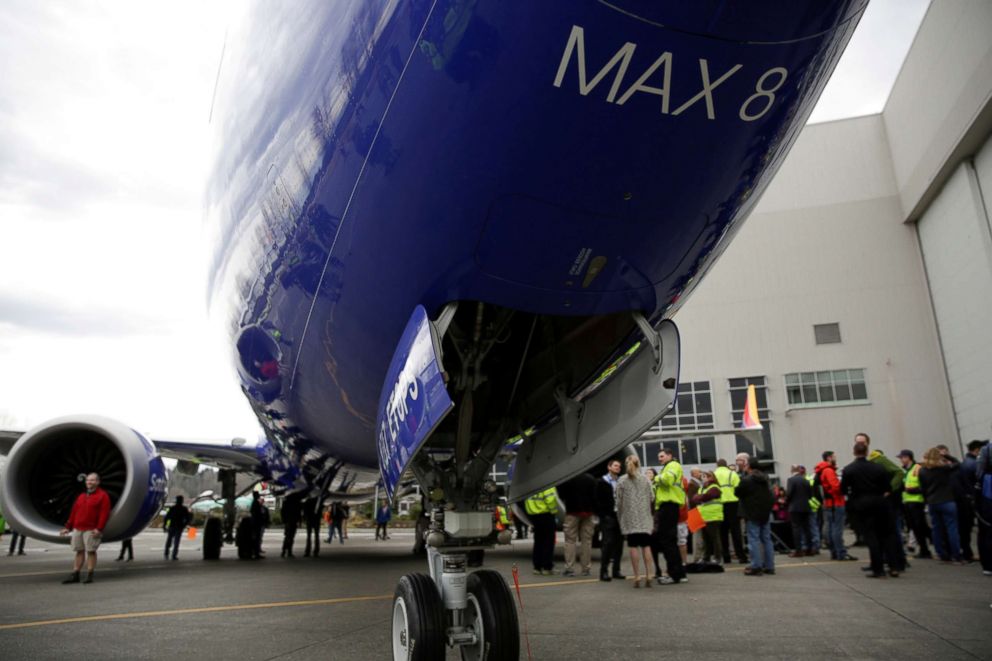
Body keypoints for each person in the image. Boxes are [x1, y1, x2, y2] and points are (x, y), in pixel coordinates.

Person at [842, 442, 901, 578]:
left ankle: (878, 568)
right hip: (880, 503)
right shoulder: (878, 468)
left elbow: (843, 489)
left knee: (871, 537)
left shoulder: (849, 469)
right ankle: (893, 566)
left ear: (854, 452)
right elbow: (888, 487)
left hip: (862, 505)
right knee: (887, 535)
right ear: (867, 452)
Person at [859, 432, 907, 572]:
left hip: (886, 502)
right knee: (876, 533)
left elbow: (899, 472)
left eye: (862, 441)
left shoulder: (878, 458)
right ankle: (879, 560)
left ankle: (898, 560)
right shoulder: (867, 460)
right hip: (875, 502)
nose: (860, 443)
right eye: (857, 441)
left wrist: (889, 489)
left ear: (868, 443)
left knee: (891, 531)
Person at [60, 473, 112, 584]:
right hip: (78, 528)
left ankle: (90, 574)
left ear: (98, 482)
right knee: (79, 551)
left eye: (92, 480)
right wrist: (68, 527)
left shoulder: (103, 496)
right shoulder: (82, 496)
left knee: (91, 551)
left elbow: (104, 514)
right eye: (88, 480)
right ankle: (76, 574)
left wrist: (99, 528)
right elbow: (74, 512)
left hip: (91, 529)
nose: (89, 482)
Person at [615, 455, 655, 588]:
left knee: (633, 546)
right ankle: (649, 574)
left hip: (630, 518)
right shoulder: (645, 479)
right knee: (646, 546)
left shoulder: (622, 480)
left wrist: (621, 515)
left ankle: (637, 576)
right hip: (644, 518)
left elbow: (618, 501)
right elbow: (652, 497)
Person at [919, 447, 964, 563]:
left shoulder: (922, 471)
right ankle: (956, 555)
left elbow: (923, 488)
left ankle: (942, 554)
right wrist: (946, 456)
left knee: (936, 529)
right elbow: (957, 464)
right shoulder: (943, 469)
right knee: (952, 528)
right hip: (947, 500)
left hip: (933, 501)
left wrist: (926, 501)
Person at [652, 448, 687, 585]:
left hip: (668, 506)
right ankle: (680, 573)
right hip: (669, 507)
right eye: (659, 456)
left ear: (669, 455)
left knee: (667, 541)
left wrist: (654, 478)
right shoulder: (668, 467)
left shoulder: (672, 466)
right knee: (671, 541)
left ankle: (674, 574)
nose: (659, 459)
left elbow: (667, 480)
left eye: (662, 456)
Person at [736, 456, 775, 576]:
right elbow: (772, 495)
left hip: (752, 513)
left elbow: (737, 492)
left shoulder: (747, 480)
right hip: (765, 512)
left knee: (753, 539)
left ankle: (756, 565)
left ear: (749, 467)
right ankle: (769, 566)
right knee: (766, 539)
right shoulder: (765, 478)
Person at [815, 451, 856, 561]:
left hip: (829, 504)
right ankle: (840, 552)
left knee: (831, 528)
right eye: (834, 456)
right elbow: (836, 487)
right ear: (829, 458)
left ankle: (834, 551)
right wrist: (844, 487)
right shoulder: (828, 470)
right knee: (837, 529)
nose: (835, 458)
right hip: (836, 502)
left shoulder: (822, 471)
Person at [557, 472, 597, 577]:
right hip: (588, 513)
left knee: (570, 541)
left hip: (572, 512)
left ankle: (569, 569)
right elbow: (595, 496)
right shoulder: (591, 479)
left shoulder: (568, 478)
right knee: (586, 541)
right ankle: (586, 569)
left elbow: (561, 495)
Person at [898, 450, 932, 559]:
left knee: (919, 527)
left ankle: (925, 549)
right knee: (916, 527)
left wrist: (914, 490)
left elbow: (925, 485)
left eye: (902, 457)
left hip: (916, 501)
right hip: (908, 502)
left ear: (908, 457)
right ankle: (925, 548)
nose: (901, 460)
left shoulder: (917, 468)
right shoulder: (906, 470)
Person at [594, 459, 624, 581]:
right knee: (607, 543)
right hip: (608, 517)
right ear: (609, 467)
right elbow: (596, 500)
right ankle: (604, 571)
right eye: (616, 466)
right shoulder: (601, 482)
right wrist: (603, 515)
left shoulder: (621, 481)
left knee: (619, 544)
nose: (618, 468)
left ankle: (616, 570)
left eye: (619, 466)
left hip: (619, 516)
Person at [714, 459, 746, 564]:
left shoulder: (713, 474)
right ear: (726, 465)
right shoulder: (732, 474)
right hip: (733, 503)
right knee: (735, 531)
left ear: (717, 465)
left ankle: (726, 557)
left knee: (722, 532)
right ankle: (741, 556)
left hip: (719, 504)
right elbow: (739, 488)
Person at [690, 471, 724, 564]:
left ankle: (717, 558)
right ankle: (706, 557)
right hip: (704, 516)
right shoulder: (702, 488)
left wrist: (699, 497)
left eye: (706, 476)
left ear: (712, 477)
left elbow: (707, 496)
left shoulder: (714, 487)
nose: (704, 478)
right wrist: (699, 497)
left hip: (713, 516)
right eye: (703, 476)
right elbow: (694, 499)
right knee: (706, 539)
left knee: (714, 538)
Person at [524, 486, 559, 576]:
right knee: (548, 542)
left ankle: (537, 567)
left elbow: (526, 501)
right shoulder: (547, 484)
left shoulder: (530, 486)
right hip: (546, 515)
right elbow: (550, 500)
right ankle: (547, 567)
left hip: (535, 516)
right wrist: (554, 511)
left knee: (538, 542)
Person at [785, 465, 814, 556]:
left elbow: (789, 494)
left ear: (792, 470)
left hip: (795, 507)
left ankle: (798, 550)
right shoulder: (806, 480)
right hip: (806, 507)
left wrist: (786, 501)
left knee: (796, 528)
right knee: (807, 528)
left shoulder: (791, 480)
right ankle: (809, 549)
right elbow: (810, 495)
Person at [974, 440, 992, 576]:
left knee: (986, 531)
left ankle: (988, 565)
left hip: (987, 496)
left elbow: (979, 473)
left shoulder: (986, 450)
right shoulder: (986, 449)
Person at [163, 495, 191, 560]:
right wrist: (185, 525)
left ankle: (166, 553)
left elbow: (167, 518)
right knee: (176, 542)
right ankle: (174, 555)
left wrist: (165, 526)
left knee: (169, 541)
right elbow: (188, 518)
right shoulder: (184, 509)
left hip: (172, 526)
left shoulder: (172, 508)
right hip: (179, 527)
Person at [280, 493, 302, 558]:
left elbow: (282, 511)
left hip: (288, 521)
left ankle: (284, 551)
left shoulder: (286, 502)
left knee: (287, 536)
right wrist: (299, 521)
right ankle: (289, 551)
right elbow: (298, 512)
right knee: (291, 537)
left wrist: (284, 520)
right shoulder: (296, 502)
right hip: (293, 521)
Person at [250, 492, 266, 559]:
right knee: (257, 538)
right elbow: (257, 513)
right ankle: (256, 553)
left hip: (255, 523)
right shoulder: (256, 503)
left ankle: (255, 552)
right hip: (257, 523)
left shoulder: (254, 503)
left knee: (256, 538)